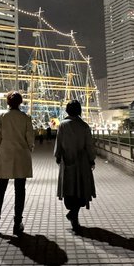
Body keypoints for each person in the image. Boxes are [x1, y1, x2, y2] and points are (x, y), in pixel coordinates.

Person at [0, 91, 35, 237]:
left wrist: (0, 152)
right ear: (20, 102)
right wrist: (28, 150)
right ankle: (17, 224)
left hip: (5, 156)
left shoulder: (2, 117)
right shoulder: (26, 118)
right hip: (21, 156)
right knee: (20, 191)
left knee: (0, 190)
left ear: (8, 102)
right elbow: (30, 139)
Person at [54, 100, 96, 233]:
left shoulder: (62, 125)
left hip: (67, 161)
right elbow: (89, 145)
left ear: (67, 111)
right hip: (82, 162)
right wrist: (91, 159)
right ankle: (74, 215)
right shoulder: (84, 126)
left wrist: (58, 156)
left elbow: (59, 143)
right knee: (81, 189)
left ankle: (73, 215)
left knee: (69, 189)